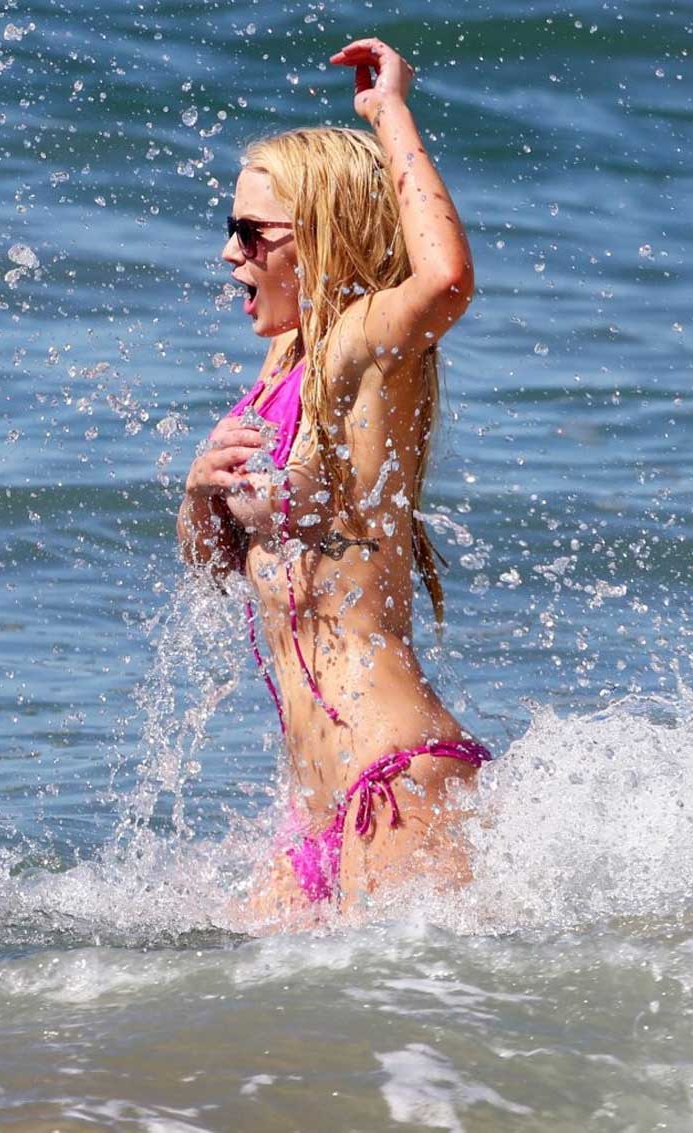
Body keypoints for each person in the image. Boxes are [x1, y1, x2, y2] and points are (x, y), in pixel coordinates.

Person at [177, 37, 491, 919]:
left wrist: (389, 112)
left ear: (316, 240)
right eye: (230, 229)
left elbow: (447, 279)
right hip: (313, 813)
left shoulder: (360, 349)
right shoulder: (283, 365)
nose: (229, 254)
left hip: (394, 780)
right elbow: (216, 571)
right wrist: (199, 493)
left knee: (422, 1015)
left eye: (251, 234)